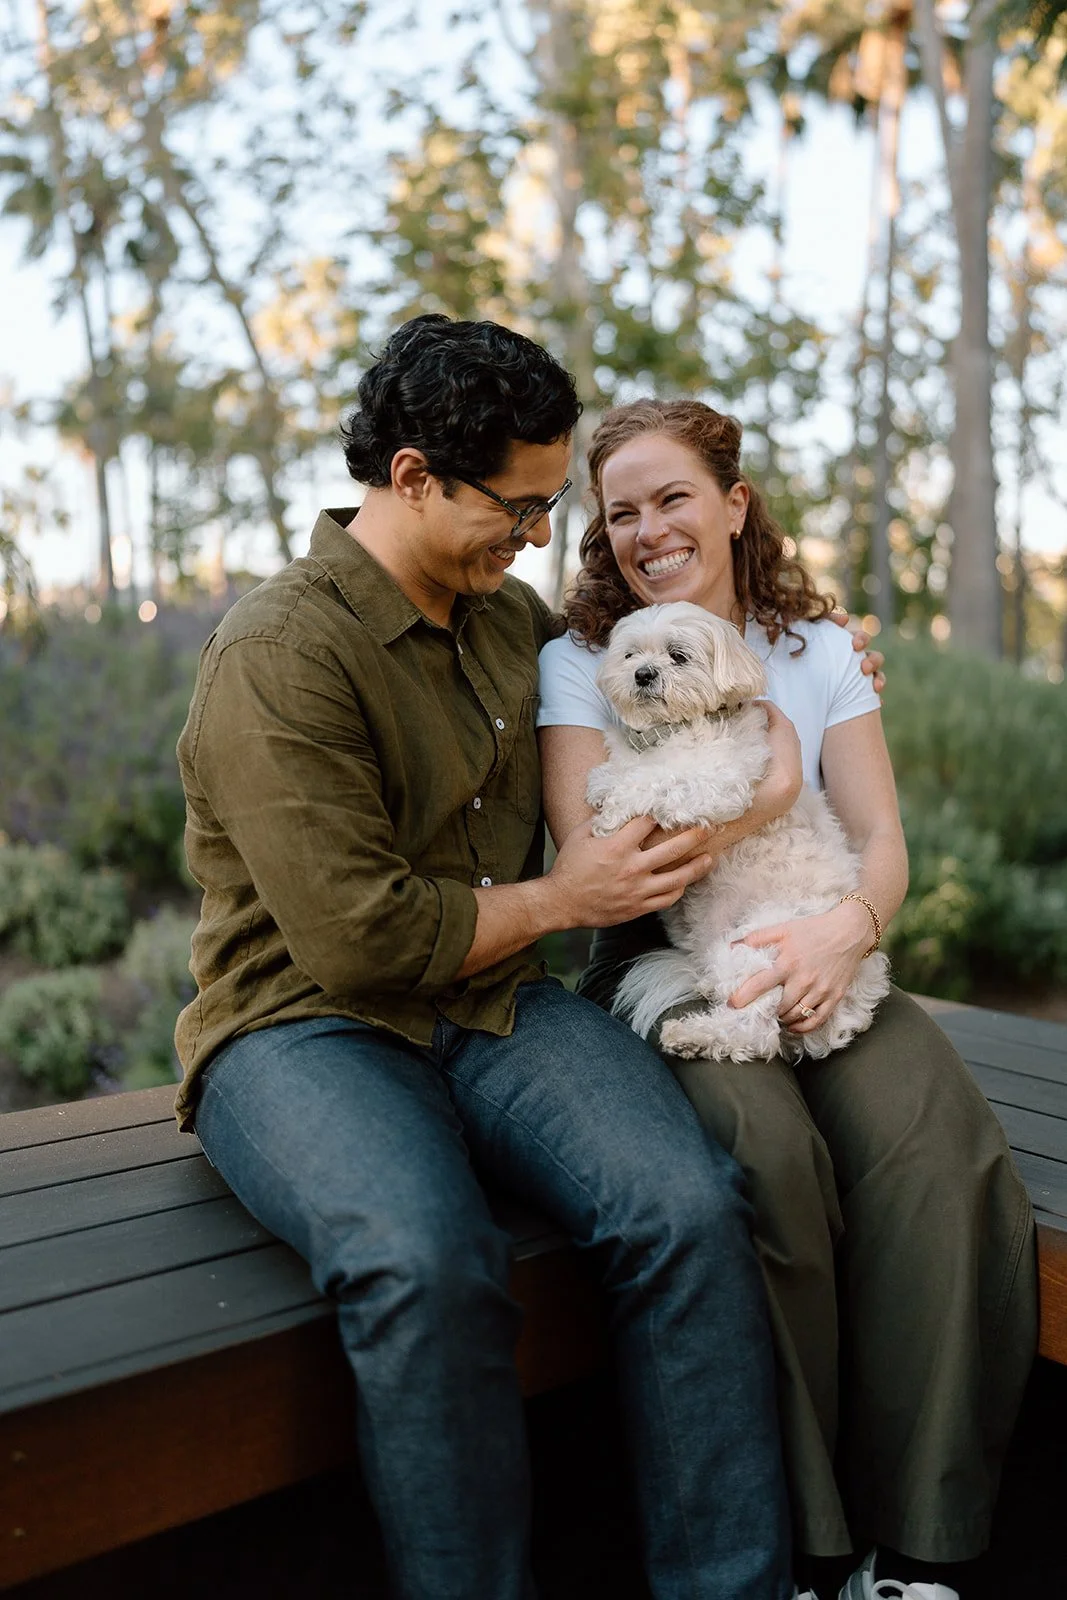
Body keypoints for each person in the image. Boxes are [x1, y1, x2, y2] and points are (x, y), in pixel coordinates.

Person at [175, 315, 811, 1600]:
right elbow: (357, 937)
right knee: (427, 1263)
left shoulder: (512, 626)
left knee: (687, 1209)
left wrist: (821, 659)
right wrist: (562, 896)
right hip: (303, 1023)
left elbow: (676, 663)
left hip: (495, 1005)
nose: (533, 538)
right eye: (517, 509)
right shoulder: (277, 652)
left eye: (545, 510)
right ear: (413, 476)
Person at [537, 399, 1038, 1600]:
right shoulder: (579, 660)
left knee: (938, 1151)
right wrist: (764, 793)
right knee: (764, 1154)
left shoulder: (815, 648)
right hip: (661, 948)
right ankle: (806, 1546)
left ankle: (913, 1547)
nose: (649, 529)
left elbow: (879, 839)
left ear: (732, 504)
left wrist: (842, 930)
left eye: (672, 498)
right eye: (620, 511)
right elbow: (602, 865)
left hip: (816, 925)